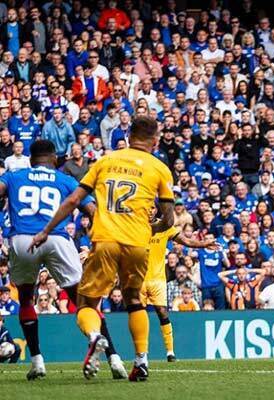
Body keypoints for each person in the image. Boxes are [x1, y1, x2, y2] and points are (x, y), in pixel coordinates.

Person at [29, 116, 175, 381]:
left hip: (106, 240)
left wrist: (46, 230)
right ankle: (141, 362)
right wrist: (148, 227)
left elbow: (74, 199)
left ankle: (95, 337)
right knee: (133, 299)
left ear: (129, 136)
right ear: (155, 140)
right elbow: (169, 219)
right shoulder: (160, 168)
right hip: (138, 244)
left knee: (87, 302)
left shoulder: (105, 161)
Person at [0, 140, 125, 380]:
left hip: (23, 240)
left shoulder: (14, 175)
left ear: (31, 159)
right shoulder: (65, 180)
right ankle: (112, 356)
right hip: (57, 238)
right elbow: (91, 211)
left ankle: (37, 361)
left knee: (26, 299)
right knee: (84, 301)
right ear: (54, 160)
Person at [141, 207, 218, 362]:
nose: (149, 210)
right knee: (139, 315)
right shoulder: (135, 226)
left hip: (157, 280)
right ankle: (142, 354)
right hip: (138, 279)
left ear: (157, 210)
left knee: (162, 312)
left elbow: (187, 241)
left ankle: (170, 352)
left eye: (152, 207)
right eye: (147, 207)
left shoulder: (165, 228)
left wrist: (203, 244)